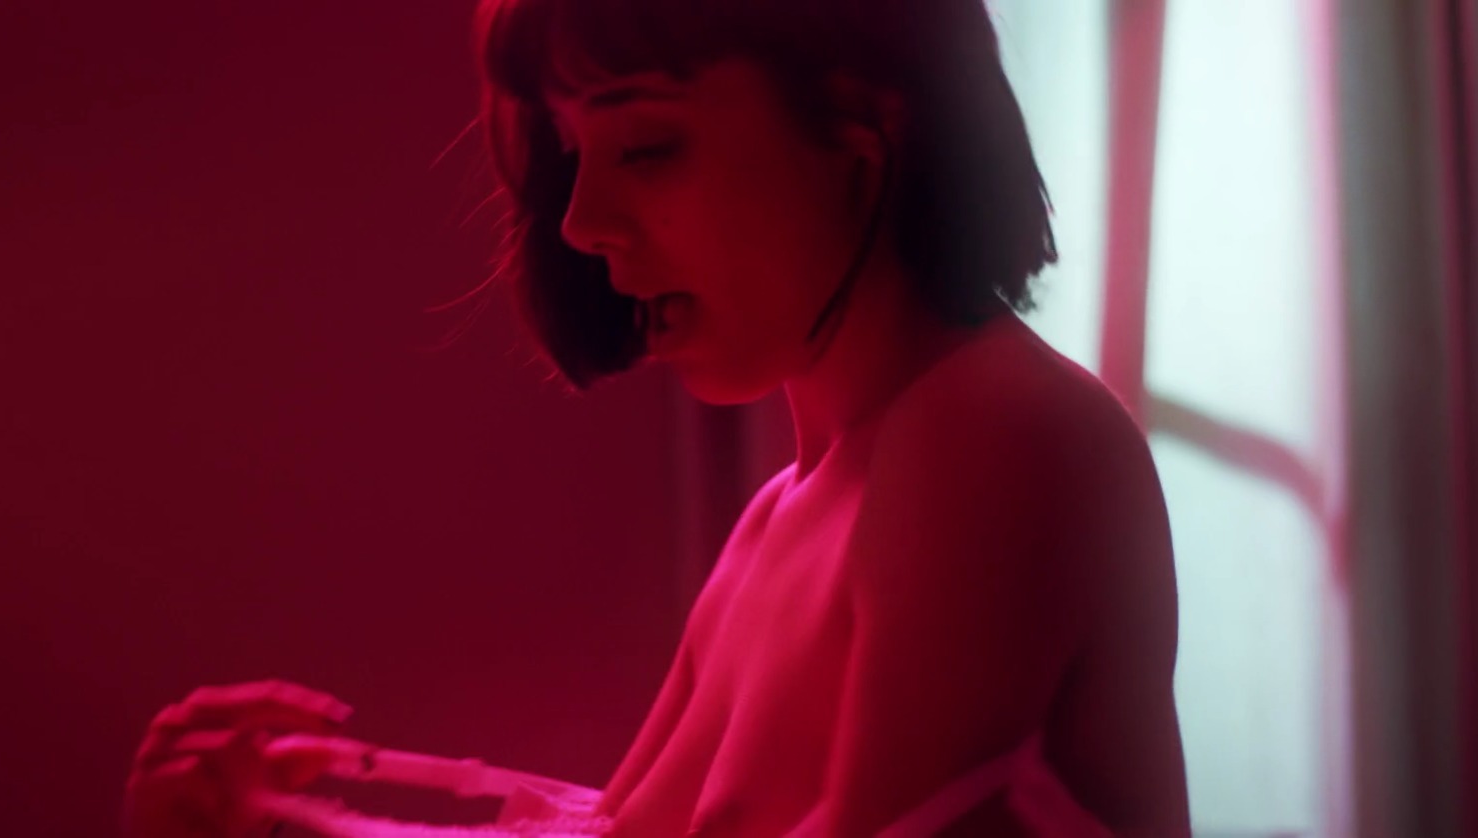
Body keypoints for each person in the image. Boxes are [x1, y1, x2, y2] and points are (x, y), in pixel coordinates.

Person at [124, 0, 1191, 834]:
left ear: (861, 119)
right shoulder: (782, 519)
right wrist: (277, 816)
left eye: (645, 147)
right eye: (571, 150)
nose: (581, 222)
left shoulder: (990, 431)